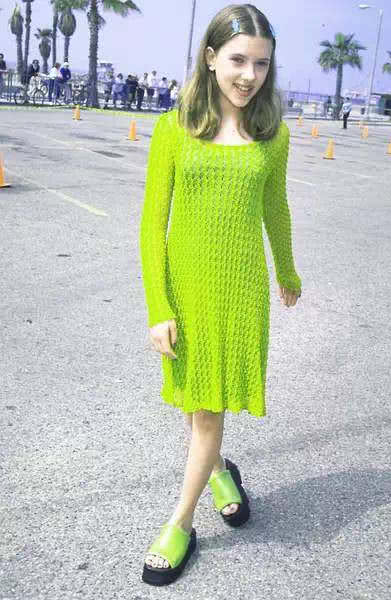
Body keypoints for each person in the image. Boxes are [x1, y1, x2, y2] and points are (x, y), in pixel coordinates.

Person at [139, 3, 302, 586]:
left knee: (208, 412)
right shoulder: (173, 128)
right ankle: (218, 474)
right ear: (210, 59)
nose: (248, 75)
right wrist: (159, 307)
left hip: (238, 293)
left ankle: (180, 524)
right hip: (184, 291)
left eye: (261, 63)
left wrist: (288, 272)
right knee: (193, 401)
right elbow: (151, 226)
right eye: (237, 60)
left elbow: (276, 209)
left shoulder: (272, 136)